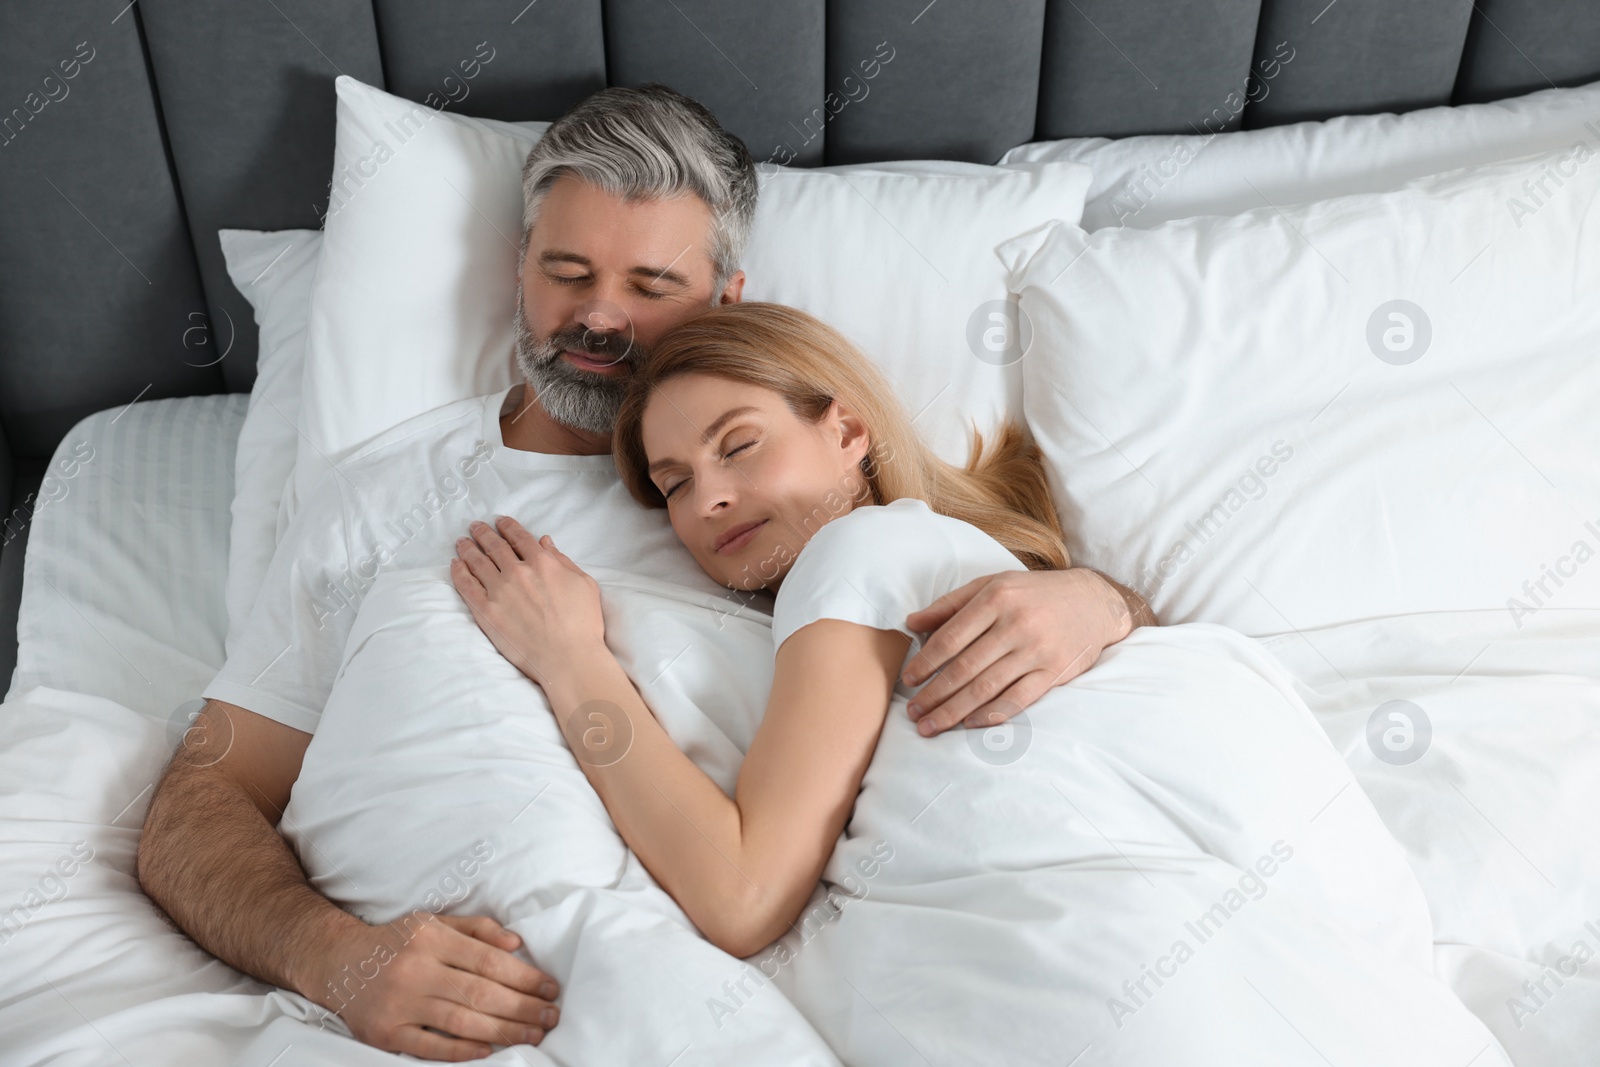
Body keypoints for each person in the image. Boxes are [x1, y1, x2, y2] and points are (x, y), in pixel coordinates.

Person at [136, 86, 1153, 1061]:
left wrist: (1097, 602)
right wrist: (330, 956)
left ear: (727, 297)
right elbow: (204, 795)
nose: (600, 320)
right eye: (567, 272)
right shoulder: (382, 497)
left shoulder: (794, 479)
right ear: (518, 266)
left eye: (651, 286)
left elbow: (953, 565)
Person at [448, 304, 1509, 1063]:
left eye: (739, 445)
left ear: (847, 429)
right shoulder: (955, 567)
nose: (709, 499)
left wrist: (570, 661)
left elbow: (739, 894)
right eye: (675, 485)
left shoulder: (853, 554)